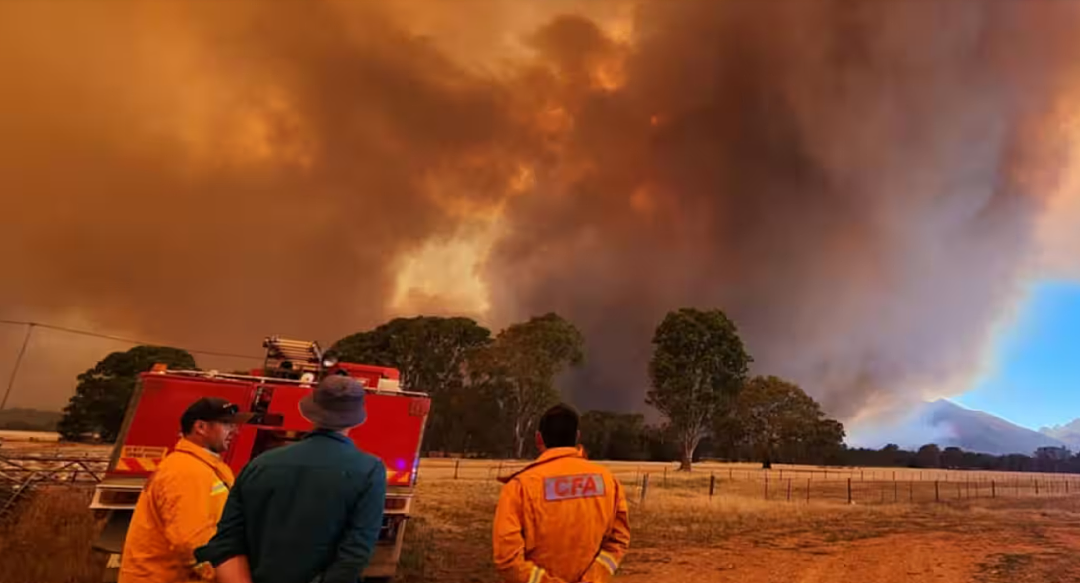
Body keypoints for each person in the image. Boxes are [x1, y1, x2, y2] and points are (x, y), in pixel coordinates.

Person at [196, 375, 387, 583]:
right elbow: (354, 555)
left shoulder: (259, 464)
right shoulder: (369, 470)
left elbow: (226, 544)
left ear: (309, 413)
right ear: (356, 419)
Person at [493, 404, 631, 583]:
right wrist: (593, 578)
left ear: (538, 439)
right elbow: (618, 541)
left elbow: (507, 559)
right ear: (577, 436)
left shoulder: (519, 487)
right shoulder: (608, 481)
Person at [119, 397, 249, 583]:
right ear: (201, 427)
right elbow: (192, 541)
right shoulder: (186, 472)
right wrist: (228, 576)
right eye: (226, 424)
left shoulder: (208, 466)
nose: (234, 431)